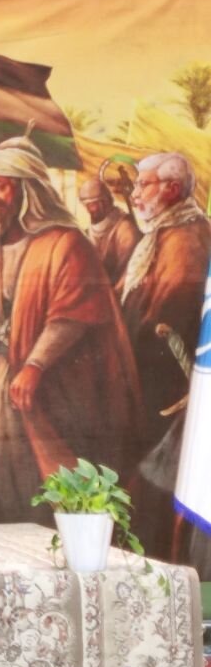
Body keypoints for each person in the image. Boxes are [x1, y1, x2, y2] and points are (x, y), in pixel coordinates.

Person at [0, 138, 140, 523]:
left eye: (2, 186)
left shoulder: (66, 243)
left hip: (49, 383)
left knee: (44, 478)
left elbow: (72, 314)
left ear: (28, 190)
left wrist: (35, 364)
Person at [118, 152, 210, 554]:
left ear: (172, 190)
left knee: (154, 491)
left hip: (169, 393)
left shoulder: (186, 239)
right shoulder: (165, 232)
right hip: (154, 385)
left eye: (144, 184)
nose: (135, 194)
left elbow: (167, 317)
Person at [78, 176, 141, 287]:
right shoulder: (87, 233)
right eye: (85, 205)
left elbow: (129, 273)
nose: (88, 210)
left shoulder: (125, 230)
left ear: (105, 202)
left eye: (91, 205)